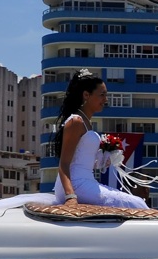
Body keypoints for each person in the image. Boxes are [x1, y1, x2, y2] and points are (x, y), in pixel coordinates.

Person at [53, 69, 148, 209]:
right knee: (137, 204)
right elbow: (64, 164)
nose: (106, 100)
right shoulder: (76, 122)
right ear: (86, 95)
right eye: (102, 95)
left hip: (86, 182)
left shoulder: (86, 123)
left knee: (138, 202)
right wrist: (70, 196)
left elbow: (83, 160)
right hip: (75, 185)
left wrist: (104, 158)